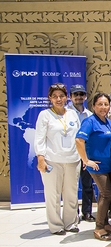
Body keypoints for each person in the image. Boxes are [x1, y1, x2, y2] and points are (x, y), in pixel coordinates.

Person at [35, 83, 82, 235]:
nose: (58, 99)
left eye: (61, 96)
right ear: (50, 98)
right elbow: (39, 139)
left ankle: (70, 223)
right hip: (52, 161)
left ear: (67, 97)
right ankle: (56, 225)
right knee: (53, 194)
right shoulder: (45, 115)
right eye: (54, 96)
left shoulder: (73, 114)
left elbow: (79, 137)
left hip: (73, 160)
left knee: (71, 194)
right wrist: (41, 159)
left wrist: (84, 157)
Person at [76, 93, 111, 240]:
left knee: (105, 195)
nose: (103, 107)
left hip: (110, 165)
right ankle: (99, 227)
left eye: (106, 104)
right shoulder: (90, 122)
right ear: (93, 106)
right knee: (106, 194)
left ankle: (106, 224)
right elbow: (79, 140)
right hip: (97, 166)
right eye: (100, 104)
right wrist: (86, 160)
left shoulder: (108, 122)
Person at [68, 84, 95, 222]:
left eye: (81, 94)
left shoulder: (90, 115)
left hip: (86, 155)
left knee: (87, 185)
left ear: (85, 96)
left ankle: (87, 212)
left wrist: (87, 157)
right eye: (75, 94)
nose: (78, 97)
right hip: (70, 155)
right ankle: (73, 214)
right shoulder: (65, 113)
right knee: (71, 186)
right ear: (70, 97)